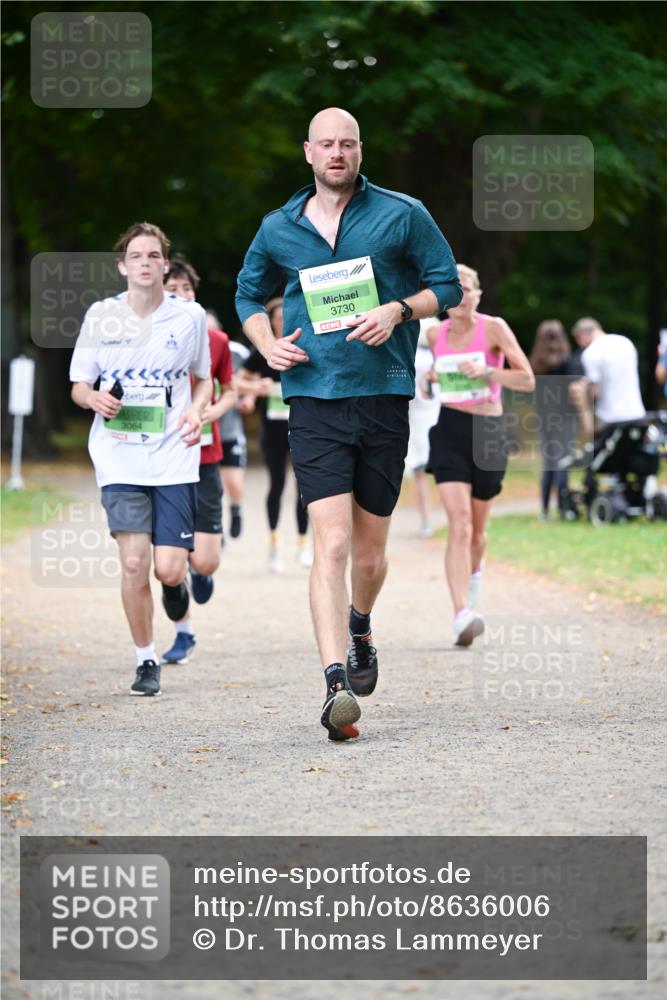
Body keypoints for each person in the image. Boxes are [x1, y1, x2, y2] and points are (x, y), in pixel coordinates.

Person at [235, 106, 462, 742]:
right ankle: (335, 683)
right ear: (307, 151)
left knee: (368, 553)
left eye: (347, 144)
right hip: (313, 398)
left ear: (360, 151)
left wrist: (397, 309)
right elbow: (248, 295)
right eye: (325, 144)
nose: (336, 153)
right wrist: (267, 343)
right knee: (330, 544)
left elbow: (445, 286)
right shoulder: (279, 227)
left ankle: (361, 623)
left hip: (385, 395)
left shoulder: (402, 212)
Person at [69, 222, 211, 696]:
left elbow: (204, 379)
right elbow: (78, 386)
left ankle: (175, 588)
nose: (145, 262)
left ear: (164, 264)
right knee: (134, 564)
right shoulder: (100, 316)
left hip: (172, 456)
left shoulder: (188, 317)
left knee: (168, 567)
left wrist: (195, 409)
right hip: (119, 456)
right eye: (136, 255)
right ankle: (146, 659)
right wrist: (95, 401)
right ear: (123, 265)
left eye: (153, 255)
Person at [426, 263, 534, 646]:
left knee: (477, 529)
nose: (460, 296)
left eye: (467, 288)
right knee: (459, 523)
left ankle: (473, 584)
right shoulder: (435, 333)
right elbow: (429, 377)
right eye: (452, 289)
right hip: (449, 430)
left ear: (477, 294)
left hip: (488, 433)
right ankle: (460, 614)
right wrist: (428, 381)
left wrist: (488, 372)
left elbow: (526, 378)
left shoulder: (494, 328)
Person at [160, 256, 234, 664]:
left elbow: (230, 391)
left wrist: (209, 413)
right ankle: (183, 632)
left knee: (205, 559)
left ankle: (199, 569)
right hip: (162, 461)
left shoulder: (216, 341)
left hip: (205, 456)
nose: (182, 296)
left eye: (187, 290)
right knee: (168, 563)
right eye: (173, 291)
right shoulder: (145, 337)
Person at [235, 298, 311, 571]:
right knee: (277, 485)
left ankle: (303, 545)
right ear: (270, 322)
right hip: (273, 431)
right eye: (276, 319)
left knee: (305, 489)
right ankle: (274, 546)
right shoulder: (265, 352)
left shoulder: (306, 347)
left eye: (285, 317)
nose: (281, 322)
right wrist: (257, 387)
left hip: (303, 429)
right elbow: (237, 381)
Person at [529, 319, 583, 519]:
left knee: (548, 463)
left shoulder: (535, 363)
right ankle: (563, 508)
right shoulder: (570, 362)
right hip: (565, 417)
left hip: (544, 417)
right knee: (563, 461)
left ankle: (544, 509)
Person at [570, 317, 645, 436]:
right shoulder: (625, 342)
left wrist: (582, 390)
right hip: (636, 413)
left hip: (610, 418)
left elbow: (594, 392)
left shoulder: (591, 353)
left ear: (582, 335)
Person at [405, 318, 442, 537]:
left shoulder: (412, 358)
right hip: (435, 417)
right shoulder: (438, 358)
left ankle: (426, 520)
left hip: (417, 419)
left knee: (420, 473)